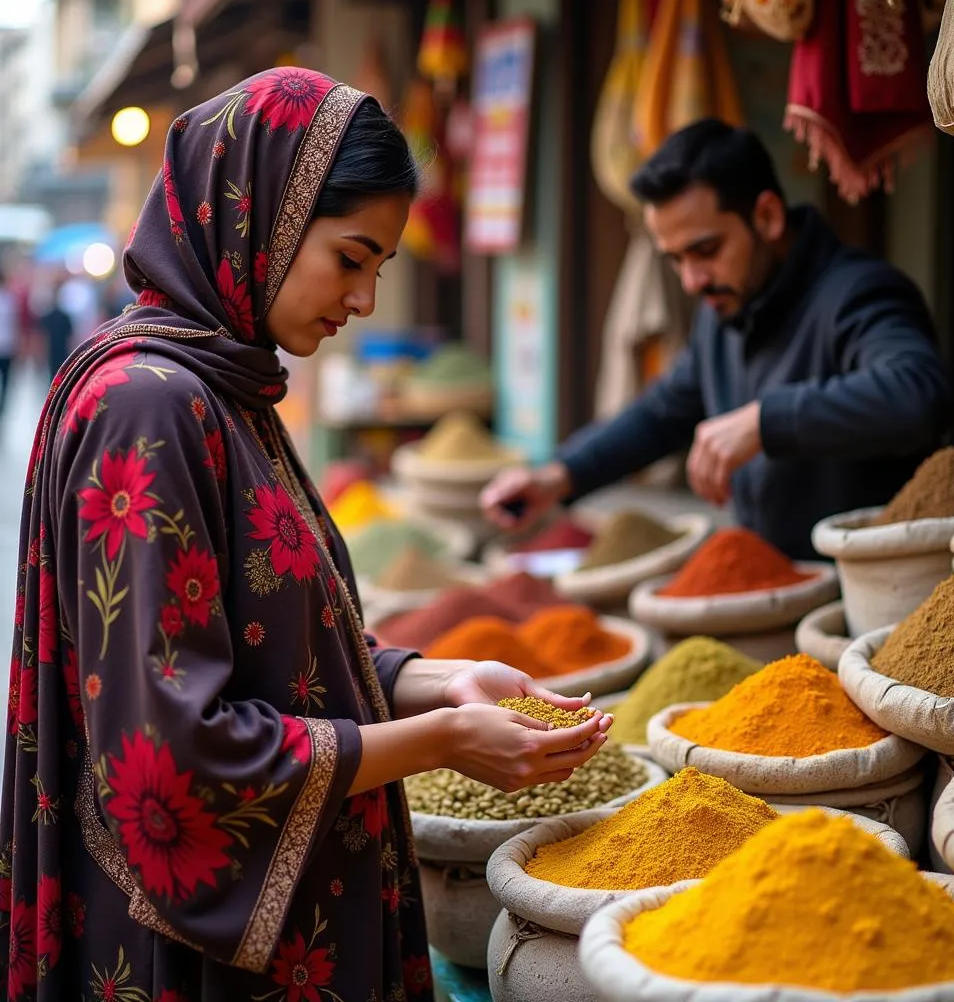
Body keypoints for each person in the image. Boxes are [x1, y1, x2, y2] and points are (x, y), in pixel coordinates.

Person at [0, 68, 611, 1000]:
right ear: (264, 220)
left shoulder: (217, 383)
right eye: (351, 258)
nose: (363, 299)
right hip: (196, 960)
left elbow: (264, 638)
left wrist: (433, 678)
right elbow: (173, 752)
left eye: (380, 270)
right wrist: (445, 738)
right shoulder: (149, 407)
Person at [481, 120, 952, 559]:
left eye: (706, 251)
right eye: (675, 259)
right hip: (769, 586)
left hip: (869, 593)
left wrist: (763, 421)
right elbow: (662, 412)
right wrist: (557, 476)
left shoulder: (858, 292)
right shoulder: (724, 309)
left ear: (766, 216)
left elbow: (917, 394)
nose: (691, 280)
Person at [36, 281, 74, 380]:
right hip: (57, 351)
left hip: (56, 351)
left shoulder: (51, 316)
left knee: (53, 377)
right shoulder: (62, 316)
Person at [0, 266, 18, 418]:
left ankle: (3, 405)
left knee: (6, 377)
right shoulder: (10, 299)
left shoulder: (10, 298)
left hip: (7, 344)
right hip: (7, 344)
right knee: (6, 378)